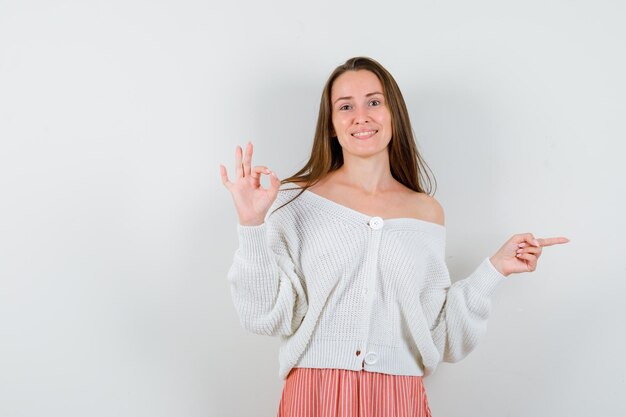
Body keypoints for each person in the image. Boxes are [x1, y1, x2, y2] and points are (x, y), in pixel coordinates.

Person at [219, 57, 569, 417]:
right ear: (332, 126)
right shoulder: (295, 201)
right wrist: (251, 224)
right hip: (315, 394)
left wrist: (494, 270)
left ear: (393, 114)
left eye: (374, 101)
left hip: (398, 397)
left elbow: (438, 334)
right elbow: (264, 315)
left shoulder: (426, 211)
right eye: (345, 106)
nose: (361, 115)